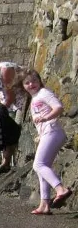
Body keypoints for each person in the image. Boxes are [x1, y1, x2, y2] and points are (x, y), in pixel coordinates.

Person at [23, 69, 71, 215]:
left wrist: (46, 118)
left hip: (53, 131)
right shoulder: (35, 97)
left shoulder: (44, 93)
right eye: (27, 82)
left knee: (38, 165)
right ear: (23, 86)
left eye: (34, 81)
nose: (31, 84)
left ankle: (60, 189)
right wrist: (40, 135)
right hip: (47, 133)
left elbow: (59, 107)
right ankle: (44, 204)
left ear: (40, 81)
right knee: (43, 168)